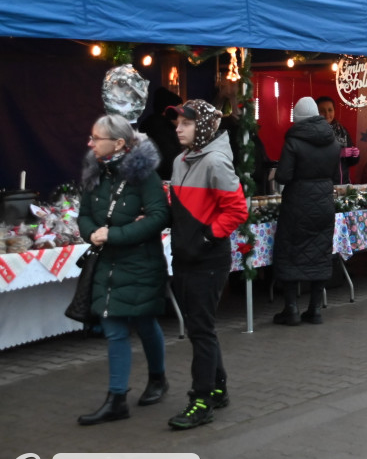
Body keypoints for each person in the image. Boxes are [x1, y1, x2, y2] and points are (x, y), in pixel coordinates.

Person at [77, 115, 170, 425]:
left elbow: (158, 217)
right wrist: (92, 232)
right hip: (109, 264)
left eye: (96, 138)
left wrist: (113, 235)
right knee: (114, 328)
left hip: (141, 263)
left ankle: (157, 378)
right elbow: (85, 214)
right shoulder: (95, 173)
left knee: (145, 322)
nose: (89, 143)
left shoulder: (145, 177)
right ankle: (117, 399)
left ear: (118, 143)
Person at [164, 99, 248, 430]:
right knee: (202, 327)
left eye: (185, 123)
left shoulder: (215, 162)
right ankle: (218, 387)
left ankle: (201, 401)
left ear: (202, 127)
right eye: (177, 123)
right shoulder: (180, 161)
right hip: (186, 256)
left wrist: (205, 239)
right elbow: (181, 208)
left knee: (200, 330)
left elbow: (237, 211)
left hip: (208, 260)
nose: (178, 128)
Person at [272, 97, 341, 326]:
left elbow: (283, 175)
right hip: (324, 202)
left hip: (297, 204)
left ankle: (291, 308)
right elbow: (334, 174)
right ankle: (314, 309)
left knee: (291, 251)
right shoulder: (333, 142)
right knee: (320, 252)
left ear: (297, 118)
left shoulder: (293, 141)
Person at [138, 86, 182, 181]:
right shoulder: (163, 131)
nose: (181, 116)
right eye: (178, 111)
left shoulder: (150, 125)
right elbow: (170, 161)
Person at [315, 96, 359, 184]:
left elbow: (350, 162)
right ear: (316, 112)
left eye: (330, 110)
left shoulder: (342, 131)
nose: (327, 114)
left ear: (334, 111)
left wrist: (355, 155)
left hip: (343, 183)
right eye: (322, 111)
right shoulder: (314, 131)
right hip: (323, 185)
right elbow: (313, 158)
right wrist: (338, 153)